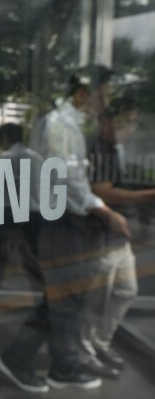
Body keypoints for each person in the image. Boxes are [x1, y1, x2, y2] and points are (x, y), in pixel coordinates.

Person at [0, 66, 130, 393]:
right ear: (83, 93)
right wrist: (104, 209)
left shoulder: (69, 126)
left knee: (66, 296)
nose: (104, 102)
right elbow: (67, 181)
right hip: (56, 220)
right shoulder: (60, 125)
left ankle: (61, 365)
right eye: (102, 94)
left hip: (61, 219)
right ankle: (24, 359)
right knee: (65, 296)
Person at [82, 98, 155, 375]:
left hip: (119, 233)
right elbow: (101, 190)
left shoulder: (117, 148)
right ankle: (85, 351)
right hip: (100, 232)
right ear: (106, 121)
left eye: (133, 122)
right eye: (125, 121)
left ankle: (100, 342)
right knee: (96, 297)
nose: (130, 128)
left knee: (125, 290)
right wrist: (146, 195)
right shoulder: (98, 149)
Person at [0, 123, 44, 306]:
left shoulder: (7, 157)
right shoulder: (37, 158)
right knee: (31, 261)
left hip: (10, 213)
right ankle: (42, 304)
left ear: (6, 138)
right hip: (34, 213)